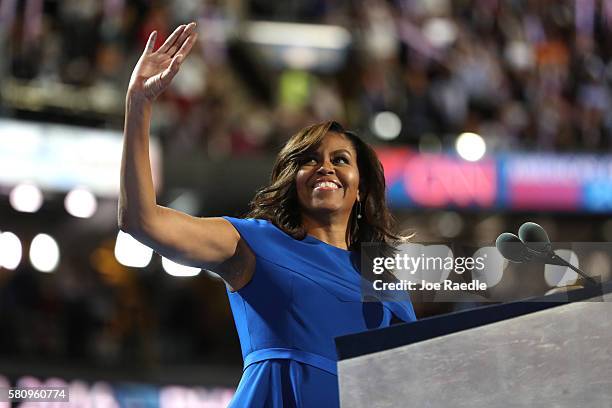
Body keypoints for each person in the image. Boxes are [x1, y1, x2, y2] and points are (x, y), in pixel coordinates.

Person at [118, 22, 417, 407]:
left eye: (340, 160)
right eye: (309, 161)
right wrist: (138, 104)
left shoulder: (387, 287)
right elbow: (141, 221)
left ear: (361, 188)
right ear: (294, 181)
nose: (325, 167)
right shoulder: (252, 242)